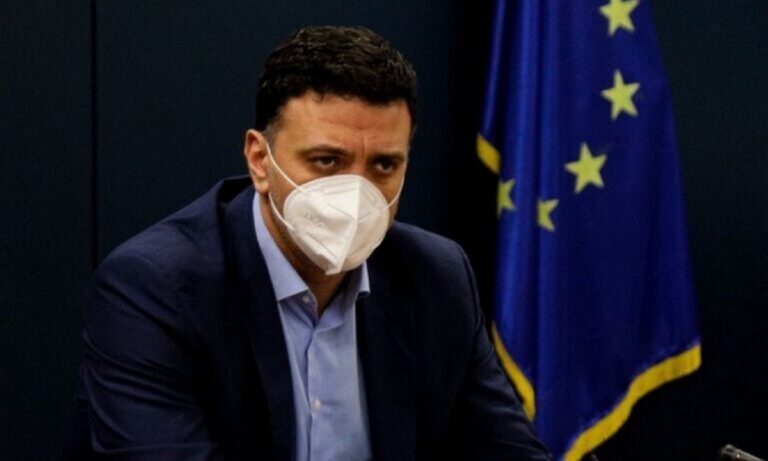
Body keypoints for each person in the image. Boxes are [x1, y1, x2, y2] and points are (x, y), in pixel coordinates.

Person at [78, 25, 552, 460]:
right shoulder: (155, 287)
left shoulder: (436, 276)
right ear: (259, 161)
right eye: (326, 161)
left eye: (384, 166)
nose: (356, 192)